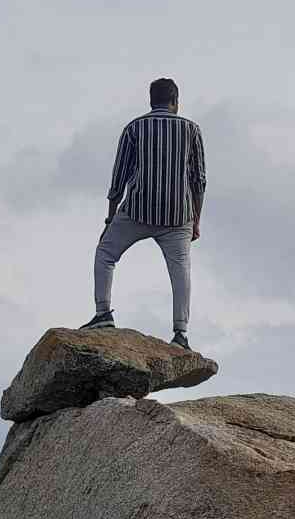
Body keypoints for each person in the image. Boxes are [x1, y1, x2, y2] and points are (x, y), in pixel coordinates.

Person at [81, 77, 206, 349]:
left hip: (138, 210)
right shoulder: (191, 129)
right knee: (180, 270)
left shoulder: (134, 128)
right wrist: (196, 219)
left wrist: (111, 217)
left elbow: (119, 178)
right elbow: (199, 180)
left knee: (105, 253)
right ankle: (181, 333)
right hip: (178, 215)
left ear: (151, 101)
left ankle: (103, 313)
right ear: (176, 101)